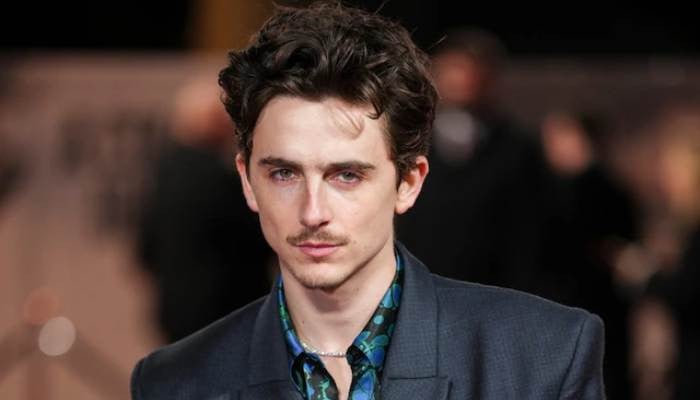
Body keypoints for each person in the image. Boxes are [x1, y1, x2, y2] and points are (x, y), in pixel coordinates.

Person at [131, 3, 605, 399]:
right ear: (247, 181)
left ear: (409, 182)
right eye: (284, 173)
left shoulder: (543, 359)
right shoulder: (174, 383)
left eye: (347, 176)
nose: (313, 212)